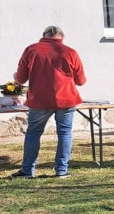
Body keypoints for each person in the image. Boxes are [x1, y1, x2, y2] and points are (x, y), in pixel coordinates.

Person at [10, 26, 87, 179]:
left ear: (43, 36)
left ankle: (27, 171)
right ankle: (62, 171)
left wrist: (16, 78)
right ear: (61, 37)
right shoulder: (70, 52)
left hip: (40, 100)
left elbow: (20, 79)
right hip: (66, 99)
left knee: (33, 133)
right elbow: (81, 81)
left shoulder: (31, 50)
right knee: (65, 133)